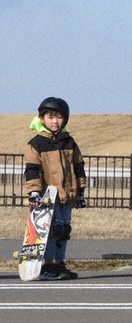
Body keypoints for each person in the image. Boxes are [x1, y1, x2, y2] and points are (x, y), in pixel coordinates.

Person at [24, 97, 87, 280]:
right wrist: (34, 192)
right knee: (50, 232)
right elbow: (32, 170)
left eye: (59, 117)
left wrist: (81, 191)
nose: (55, 121)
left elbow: (78, 167)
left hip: (67, 195)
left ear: (65, 119)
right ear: (42, 119)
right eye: (50, 117)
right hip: (46, 197)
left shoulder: (69, 142)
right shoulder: (36, 143)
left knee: (64, 230)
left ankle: (60, 263)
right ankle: (47, 264)